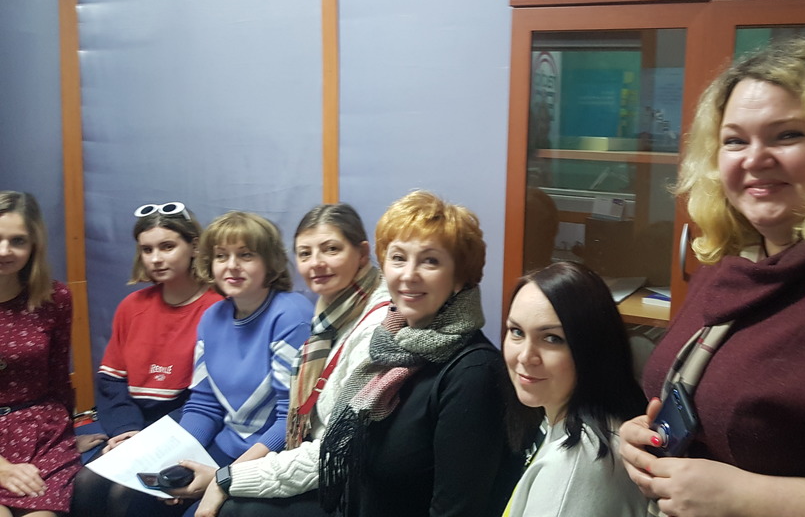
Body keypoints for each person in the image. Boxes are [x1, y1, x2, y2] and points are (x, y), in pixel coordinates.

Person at [618, 38, 805, 517]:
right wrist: (645, 438)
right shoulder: (730, 260)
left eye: (787, 135)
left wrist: (747, 497)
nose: (754, 159)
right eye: (735, 141)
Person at [318, 190, 521, 517]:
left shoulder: (474, 373)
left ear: (459, 277)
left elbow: (457, 510)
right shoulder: (388, 347)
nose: (409, 274)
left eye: (430, 261)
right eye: (398, 258)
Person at [192, 204, 390, 517]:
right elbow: (203, 404)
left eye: (331, 249)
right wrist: (177, 458)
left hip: (323, 465)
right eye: (305, 253)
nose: (317, 263)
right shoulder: (329, 312)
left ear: (363, 254)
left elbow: (306, 429)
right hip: (268, 452)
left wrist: (226, 478)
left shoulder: (365, 323)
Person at [71, 202, 222, 515]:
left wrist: (148, 442)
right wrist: (126, 432)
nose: (156, 258)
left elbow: (209, 399)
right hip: (133, 426)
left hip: (186, 428)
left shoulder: (217, 307)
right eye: (147, 249)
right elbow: (112, 382)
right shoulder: (132, 306)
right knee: (85, 485)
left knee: (125, 496)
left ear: (194, 247)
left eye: (167, 247)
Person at [501, 261, 647, 517]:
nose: (525, 356)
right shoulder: (572, 422)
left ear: (592, 349)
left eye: (552, 339)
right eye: (516, 332)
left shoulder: (574, 467)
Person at [0, 191, 80, 516]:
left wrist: (70, 432)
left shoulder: (55, 298)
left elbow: (59, 378)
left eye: (17, 241)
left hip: (41, 434)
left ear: (34, 245)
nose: (4, 251)